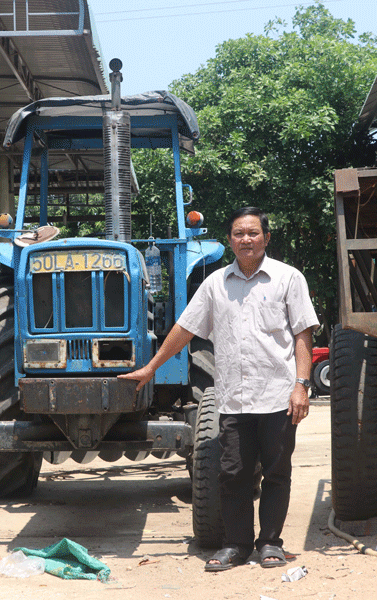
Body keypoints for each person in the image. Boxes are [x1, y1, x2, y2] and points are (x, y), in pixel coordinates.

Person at [119, 206, 319, 571]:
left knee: (276, 472)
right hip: (233, 399)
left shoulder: (288, 279)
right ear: (229, 240)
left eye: (253, 233)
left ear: (266, 238)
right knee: (232, 475)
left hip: (277, 395)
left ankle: (271, 543)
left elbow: (302, 334)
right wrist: (150, 367)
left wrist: (301, 385)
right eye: (239, 234)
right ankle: (236, 545)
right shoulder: (214, 285)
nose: (246, 239)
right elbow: (184, 329)